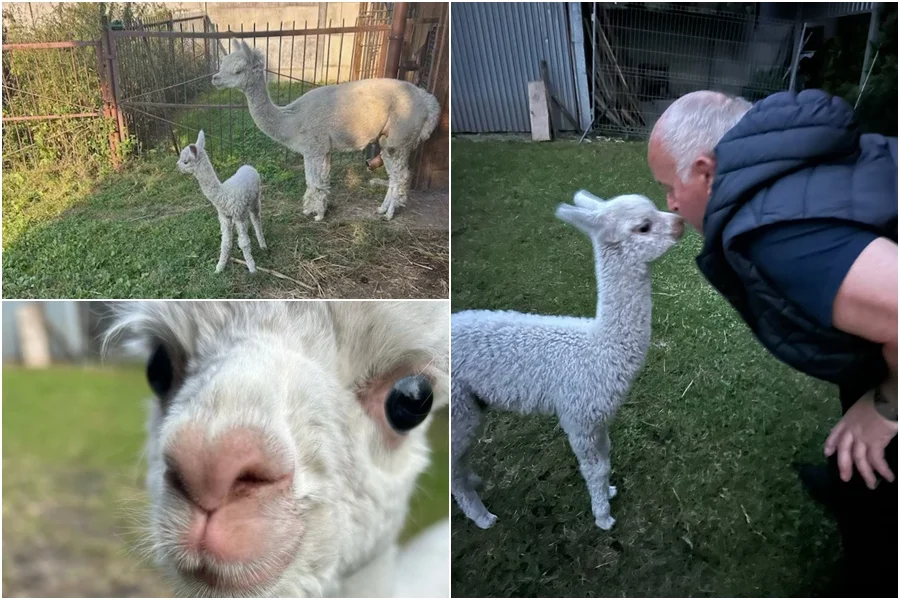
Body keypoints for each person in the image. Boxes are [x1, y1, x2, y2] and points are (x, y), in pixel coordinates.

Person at [647, 89, 897, 597]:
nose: (670, 202)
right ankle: (850, 485)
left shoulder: (776, 233)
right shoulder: (793, 159)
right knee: (861, 419)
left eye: (669, 186)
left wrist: (890, 408)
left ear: (703, 170)